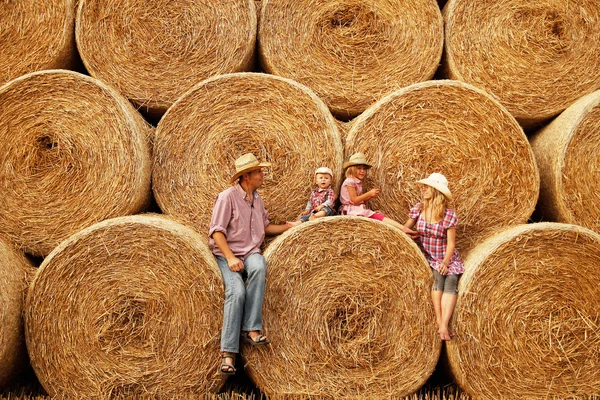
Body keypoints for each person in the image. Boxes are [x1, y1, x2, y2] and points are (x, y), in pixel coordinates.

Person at [209, 153, 293, 375]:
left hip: (250, 252)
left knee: (259, 266)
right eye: (258, 172)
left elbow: (265, 228)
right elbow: (217, 232)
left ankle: (252, 329)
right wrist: (230, 258)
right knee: (236, 293)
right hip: (228, 254)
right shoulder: (227, 197)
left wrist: (289, 227)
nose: (262, 174)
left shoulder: (257, 199)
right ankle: (228, 353)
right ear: (246, 176)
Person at [403, 173, 464, 341]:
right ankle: (440, 322)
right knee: (439, 278)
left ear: (436, 191)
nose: (423, 189)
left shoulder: (448, 214)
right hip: (429, 255)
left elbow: (451, 244)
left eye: (427, 187)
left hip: (446, 256)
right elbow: (404, 229)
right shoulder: (418, 209)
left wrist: (446, 262)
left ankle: (444, 324)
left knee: (451, 280)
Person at [339, 152, 417, 237]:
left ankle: (403, 232)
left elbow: (358, 200)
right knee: (379, 217)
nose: (362, 171)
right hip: (351, 211)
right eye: (359, 168)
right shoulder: (349, 181)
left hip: (356, 209)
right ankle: (404, 229)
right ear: (352, 169)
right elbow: (354, 200)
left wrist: (370, 196)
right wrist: (368, 193)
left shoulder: (356, 181)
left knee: (380, 216)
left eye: (364, 169)